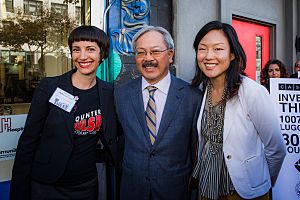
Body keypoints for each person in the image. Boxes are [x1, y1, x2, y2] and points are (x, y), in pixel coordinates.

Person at [10, 26, 122, 200]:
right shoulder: (49, 87)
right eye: (76, 49)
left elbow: (114, 135)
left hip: (85, 185)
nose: (82, 56)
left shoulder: (109, 92)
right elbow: (28, 141)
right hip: (46, 185)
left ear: (103, 54)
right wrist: (19, 192)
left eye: (90, 49)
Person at [191, 21, 286, 200]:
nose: (208, 56)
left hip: (244, 191)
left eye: (218, 49)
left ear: (232, 54)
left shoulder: (252, 92)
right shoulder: (200, 89)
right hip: (207, 188)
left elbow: (276, 148)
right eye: (202, 49)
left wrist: (260, 182)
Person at [114, 26, 202, 200]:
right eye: (141, 53)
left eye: (155, 51)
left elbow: (195, 150)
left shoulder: (192, 97)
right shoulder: (120, 94)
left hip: (176, 190)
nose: (148, 59)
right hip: (132, 189)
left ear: (170, 55)